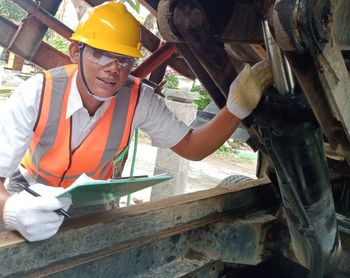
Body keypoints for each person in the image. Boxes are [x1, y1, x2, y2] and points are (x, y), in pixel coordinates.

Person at [0, 2, 272, 242]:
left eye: (124, 60)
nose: (113, 68)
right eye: (101, 54)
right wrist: (10, 209)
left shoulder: (137, 98)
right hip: (29, 194)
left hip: (89, 205)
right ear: (75, 51)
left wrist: (235, 108)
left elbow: (192, 146)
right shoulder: (38, 93)